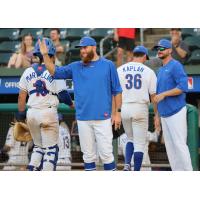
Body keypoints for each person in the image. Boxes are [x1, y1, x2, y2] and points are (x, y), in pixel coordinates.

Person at [38, 36, 122, 171]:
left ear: (94, 47)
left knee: (106, 155)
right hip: (83, 119)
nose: (82, 51)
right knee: (88, 157)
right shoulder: (76, 66)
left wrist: (117, 113)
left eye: (85, 47)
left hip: (103, 118)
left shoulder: (108, 65)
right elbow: (54, 71)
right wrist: (45, 54)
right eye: (80, 48)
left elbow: (117, 91)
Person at [16, 37, 73, 171]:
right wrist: (71, 104)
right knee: (51, 150)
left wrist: (20, 116)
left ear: (36, 54)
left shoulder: (28, 71)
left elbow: (21, 97)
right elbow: (63, 94)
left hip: (32, 113)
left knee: (38, 147)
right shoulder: (55, 70)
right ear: (52, 54)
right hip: (48, 113)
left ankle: (32, 170)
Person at [153, 39, 193, 171]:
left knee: (180, 145)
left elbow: (183, 87)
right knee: (170, 148)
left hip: (176, 111)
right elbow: (158, 95)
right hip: (164, 113)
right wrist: (157, 116)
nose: (159, 51)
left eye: (162, 48)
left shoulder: (176, 65)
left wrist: (165, 94)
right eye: (158, 49)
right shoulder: (160, 69)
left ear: (170, 50)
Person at [117, 45, 158, 171]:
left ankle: (127, 164)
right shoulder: (149, 71)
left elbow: (115, 93)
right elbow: (154, 96)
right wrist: (156, 114)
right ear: (145, 56)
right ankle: (136, 171)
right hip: (140, 107)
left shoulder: (120, 69)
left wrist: (116, 111)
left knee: (130, 138)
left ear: (133, 55)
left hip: (125, 108)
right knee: (140, 144)